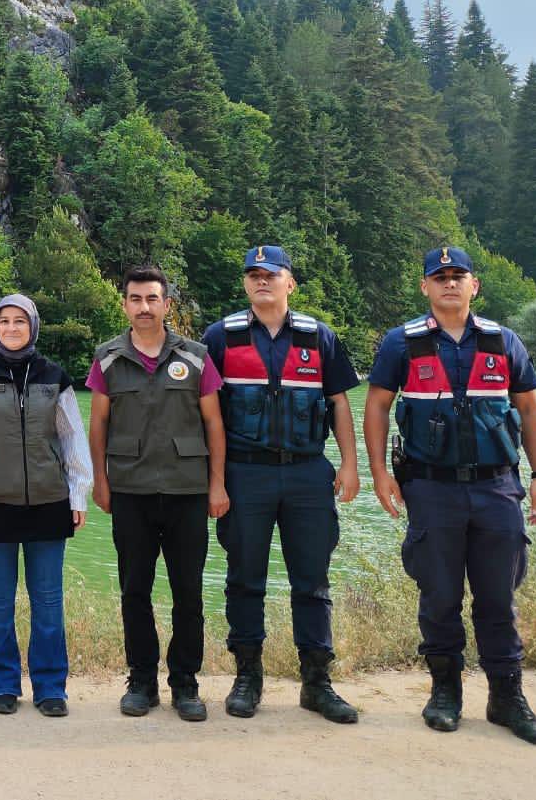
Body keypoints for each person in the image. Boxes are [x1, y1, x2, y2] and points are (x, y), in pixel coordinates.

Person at [364, 246, 536, 745]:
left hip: (497, 488)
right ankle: (444, 692)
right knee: (440, 596)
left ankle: (506, 698)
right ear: (425, 287)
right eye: (439, 276)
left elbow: (531, 411)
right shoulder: (400, 344)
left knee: (498, 598)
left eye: (458, 276)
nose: (449, 283)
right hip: (431, 488)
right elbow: (378, 407)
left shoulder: (502, 340)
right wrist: (380, 472)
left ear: (474, 286)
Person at [200, 245, 361, 723]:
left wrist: (349, 465)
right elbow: (205, 415)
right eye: (253, 274)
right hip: (244, 474)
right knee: (244, 579)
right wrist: (215, 481)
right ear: (246, 284)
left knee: (312, 582)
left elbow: (339, 405)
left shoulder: (320, 337)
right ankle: (247, 677)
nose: (261, 280)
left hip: (309, 472)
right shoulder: (220, 337)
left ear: (290, 282)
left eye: (271, 274)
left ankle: (317, 683)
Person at [87, 265, 228, 721]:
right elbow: (98, 425)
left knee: (189, 593)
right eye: (135, 299)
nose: (144, 307)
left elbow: (214, 424)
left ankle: (185, 684)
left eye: (152, 299)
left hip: (187, 491)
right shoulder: (108, 357)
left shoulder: (198, 356)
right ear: (125, 304)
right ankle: (141, 681)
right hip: (131, 491)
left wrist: (217, 484)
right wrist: (100, 480)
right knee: (135, 591)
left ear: (167, 304)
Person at [0, 294, 92, 718]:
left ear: (33, 325)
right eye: (4, 321)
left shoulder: (54, 376)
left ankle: (51, 687)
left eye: (19, 321)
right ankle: (1, 685)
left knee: (48, 601)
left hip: (49, 501)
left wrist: (78, 492)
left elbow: (71, 438)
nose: (11, 328)